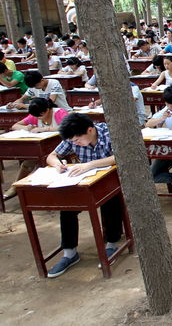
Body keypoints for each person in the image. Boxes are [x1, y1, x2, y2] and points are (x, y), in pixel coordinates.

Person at [43, 113, 122, 278]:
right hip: (84, 182)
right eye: (72, 141)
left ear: (90, 130)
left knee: (111, 201)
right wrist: (57, 164)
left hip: (110, 180)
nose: (75, 143)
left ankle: (111, 243)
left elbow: (118, 157)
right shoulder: (73, 136)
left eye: (77, 140)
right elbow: (52, 156)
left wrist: (90, 164)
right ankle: (69, 253)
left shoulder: (109, 133)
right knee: (67, 207)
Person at [2, 98, 71, 200]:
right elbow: (15, 126)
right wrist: (26, 128)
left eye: (40, 115)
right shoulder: (36, 115)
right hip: (42, 146)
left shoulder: (59, 113)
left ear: (47, 110)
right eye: (36, 116)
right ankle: (15, 186)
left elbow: (68, 127)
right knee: (29, 161)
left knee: (51, 162)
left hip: (61, 147)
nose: (38, 118)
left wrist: (45, 129)